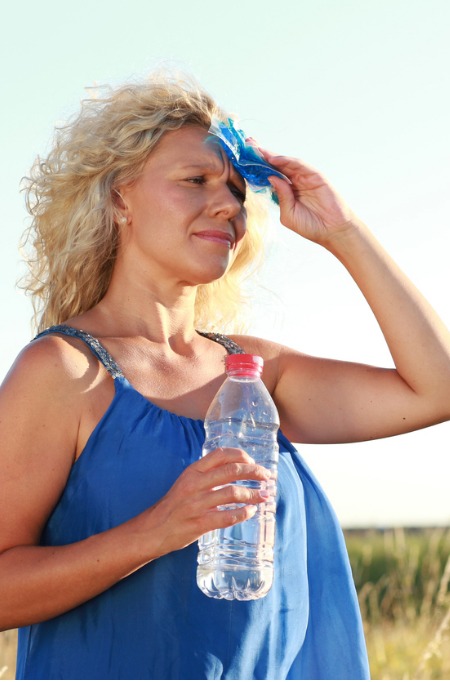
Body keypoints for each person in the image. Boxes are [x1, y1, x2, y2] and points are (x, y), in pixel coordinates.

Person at [1, 72, 449, 681]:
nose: (229, 206)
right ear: (118, 198)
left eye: (238, 190)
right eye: (196, 181)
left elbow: (437, 389)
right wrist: (155, 532)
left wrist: (345, 233)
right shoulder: (64, 371)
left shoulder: (254, 374)